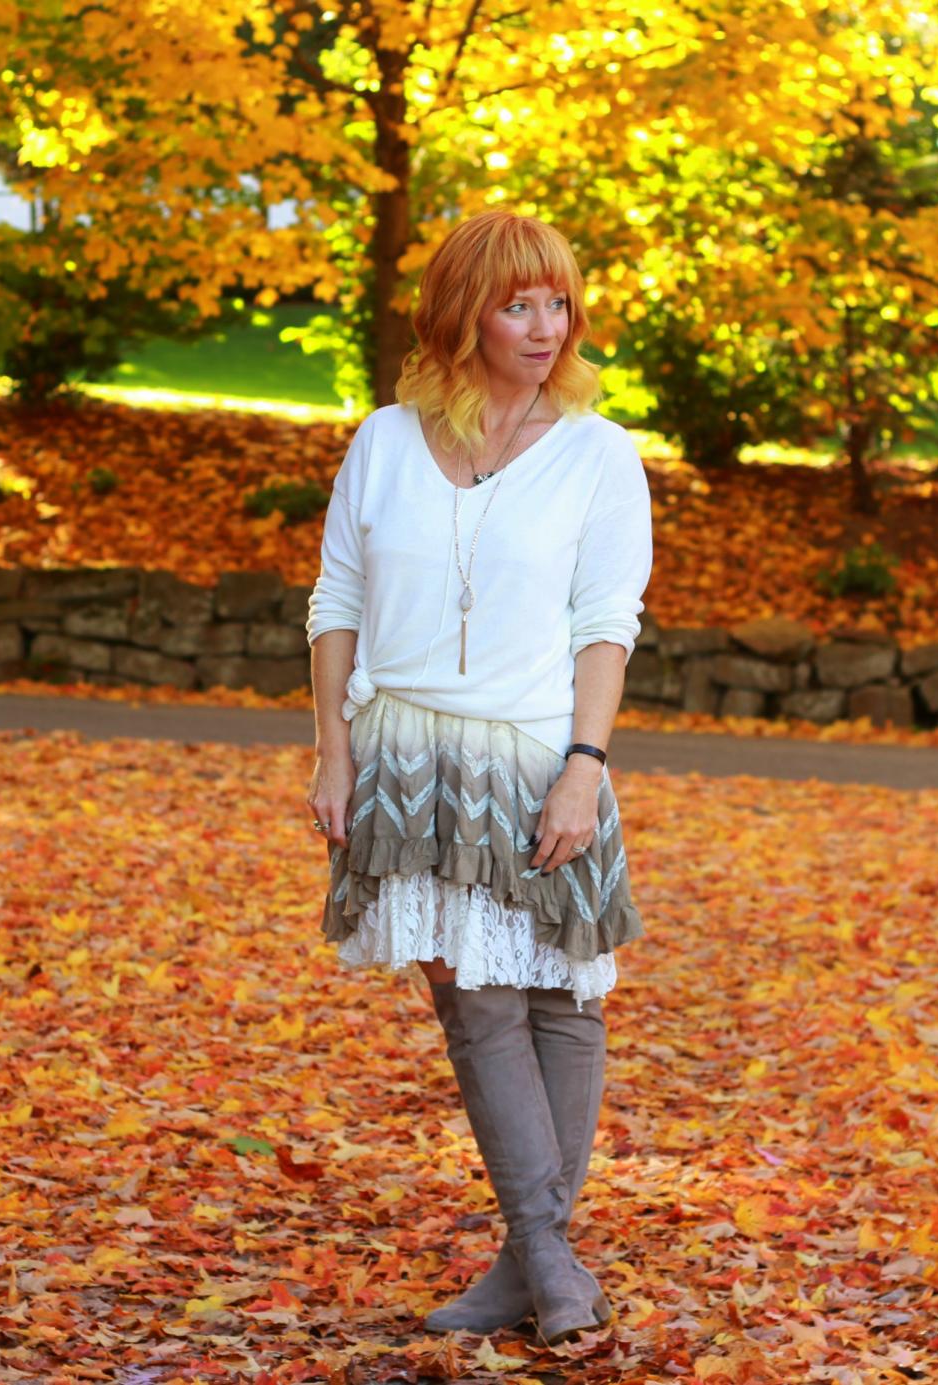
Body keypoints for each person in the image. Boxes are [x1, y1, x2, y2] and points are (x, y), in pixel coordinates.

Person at [302, 207, 653, 1348]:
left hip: (538, 752)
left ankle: (530, 1259)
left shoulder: (599, 453)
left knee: (563, 990)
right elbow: (336, 602)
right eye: (519, 304)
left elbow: (608, 623)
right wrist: (334, 749)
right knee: (472, 992)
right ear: (463, 315)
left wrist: (584, 769)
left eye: (559, 302)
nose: (546, 326)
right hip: (407, 753)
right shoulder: (384, 441)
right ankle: (547, 1257)